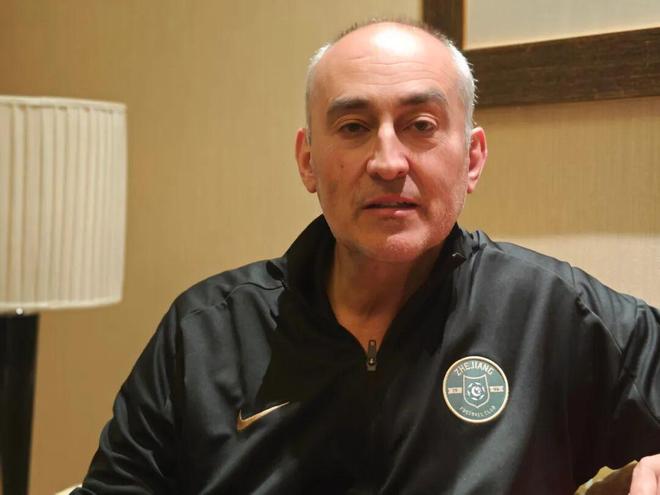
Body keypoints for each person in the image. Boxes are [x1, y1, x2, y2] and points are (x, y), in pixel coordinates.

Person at [74, 20, 660, 494]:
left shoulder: (551, 313)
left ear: (472, 158)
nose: (387, 161)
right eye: (354, 127)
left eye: (420, 125)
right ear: (308, 161)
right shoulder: (206, 332)